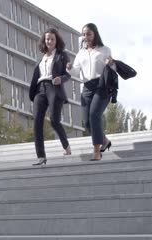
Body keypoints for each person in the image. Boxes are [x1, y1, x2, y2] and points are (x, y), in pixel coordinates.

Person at [67, 23, 114, 161]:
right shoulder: (80, 53)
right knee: (86, 121)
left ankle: (96, 152)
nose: (86, 37)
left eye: (89, 34)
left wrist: (110, 63)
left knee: (94, 115)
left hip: (101, 86)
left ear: (95, 34)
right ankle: (104, 141)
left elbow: (112, 67)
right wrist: (69, 68)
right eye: (84, 34)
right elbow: (76, 71)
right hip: (86, 87)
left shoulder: (104, 50)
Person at [29, 28, 72, 166]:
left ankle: (66, 146)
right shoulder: (40, 58)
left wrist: (61, 79)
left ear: (56, 40)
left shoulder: (61, 55)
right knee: (37, 121)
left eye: (52, 39)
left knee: (54, 120)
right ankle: (41, 156)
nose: (49, 41)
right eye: (47, 39)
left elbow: (68, 74)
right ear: (44, 40)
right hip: (40, 89)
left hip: (54, 87)